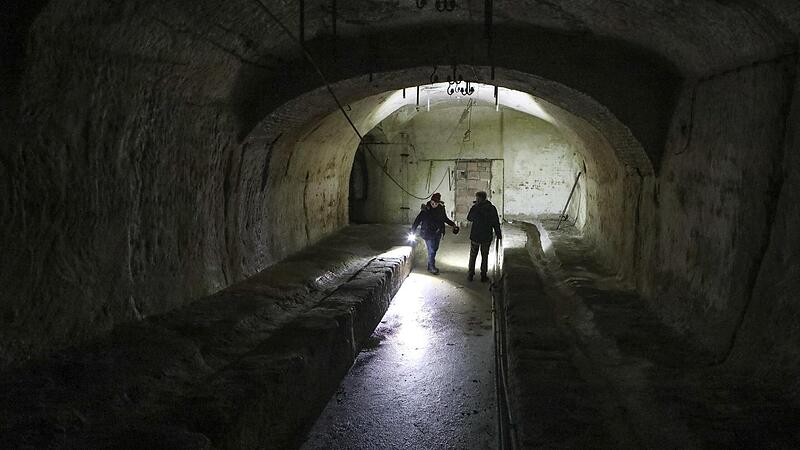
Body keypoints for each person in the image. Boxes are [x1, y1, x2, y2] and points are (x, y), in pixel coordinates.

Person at [410, 193, 458, 274]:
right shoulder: (426, 209)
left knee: (435, 249)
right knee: (431, 250)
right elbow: (418, 220)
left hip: (437, 232)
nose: (434, 205)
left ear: (438, 203)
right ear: (431, 201)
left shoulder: (441, 209)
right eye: (433, 203)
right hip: (427, 233)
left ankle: (430, 266)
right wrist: (412, 230)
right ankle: (432, 267)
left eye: (436, 203)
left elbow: (445, 219)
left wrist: (453, 224)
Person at [466, 191, 502, 282]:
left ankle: (470, 274)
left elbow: (469, 218)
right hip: (486, 236)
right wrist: (498, 234)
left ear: (479, 198)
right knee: (485, 256)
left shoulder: (475, 207)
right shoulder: (491, 208)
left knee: (473, 255)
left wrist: (475, 208)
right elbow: (495, 222)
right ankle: (483, 275)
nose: (476, 199)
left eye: (477, 198)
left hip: (475, 235)